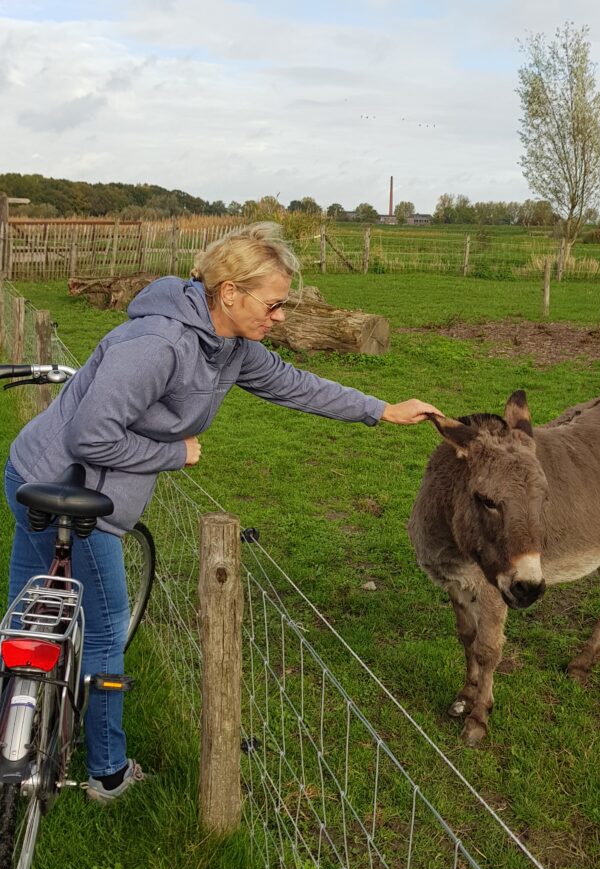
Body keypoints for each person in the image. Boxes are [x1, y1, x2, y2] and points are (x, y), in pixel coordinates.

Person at [4, 223, 443, 803]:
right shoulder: (158, 344)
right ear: (230, 292)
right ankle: (107, 773)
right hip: (69, 490)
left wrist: (381, 409)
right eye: (275, 303)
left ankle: (17, 731)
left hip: (48, 473)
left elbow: (296, 386)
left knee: (31, 615)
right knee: (103, 628)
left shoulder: (231, 348)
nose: (281, 316)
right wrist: (174, 453)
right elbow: (90, 436)